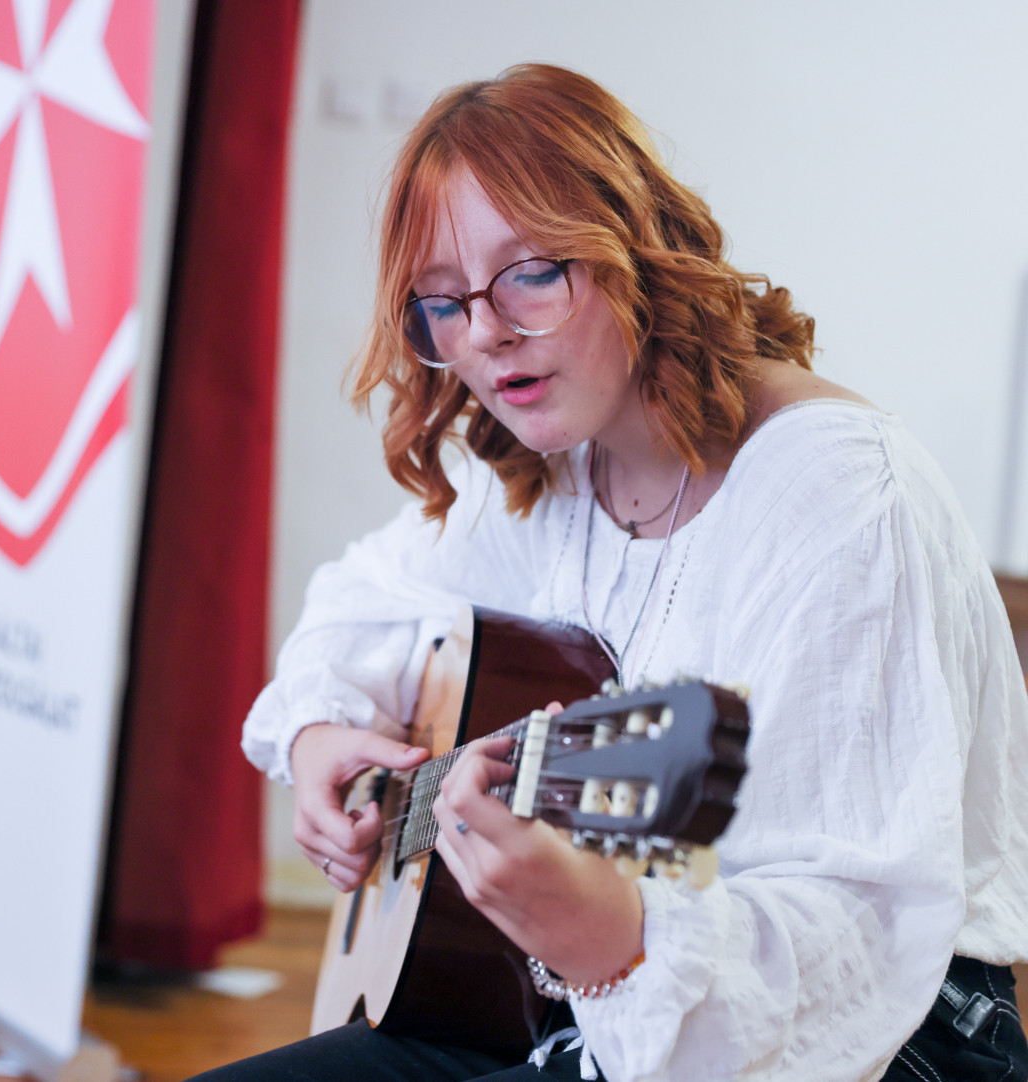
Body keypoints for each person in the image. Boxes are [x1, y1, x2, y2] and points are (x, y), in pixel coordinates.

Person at [203, 64, 1028, 1081]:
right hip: (582, 1012)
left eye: (530, 274)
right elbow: (363, 595)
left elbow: (854, 935)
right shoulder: (551, 471)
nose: (486, 332)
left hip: (872, 1040)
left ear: (636, 244)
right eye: (443, 302)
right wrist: (321, 733)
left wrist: (610, 934)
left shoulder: (839, 495)